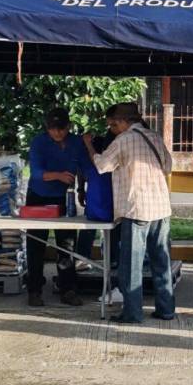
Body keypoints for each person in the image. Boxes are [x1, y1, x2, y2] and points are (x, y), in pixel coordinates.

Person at [83, 102, 175, 323]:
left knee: (131, 265)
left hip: (137, 210)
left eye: (112, 125)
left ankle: (132, 313)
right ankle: (166, 309)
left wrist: (89, 146)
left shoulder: (122, 140)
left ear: (122, 122)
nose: (111, 130)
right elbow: (168, 165)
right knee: (161, 262)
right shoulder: (153, 137)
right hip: (161, 208)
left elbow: (102, 166)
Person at [26, 107, 90, 307]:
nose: (57, 133)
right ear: (47, 128)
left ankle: (68, 289)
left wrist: (81, 189)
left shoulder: (76, 142)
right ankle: (34, 290)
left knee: (67, 244)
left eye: (61, 129)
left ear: (68, 127)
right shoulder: (39, 142)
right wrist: (58, 175)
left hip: (64, 198)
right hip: (38, 197)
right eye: (53, 129)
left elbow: (84, 166)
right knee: (36, 244)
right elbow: (36, 172)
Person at [76, 109, 118, 272]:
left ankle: (82, 258)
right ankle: (113, 259)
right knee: (113, 230)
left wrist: (80, 190)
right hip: (109, 207)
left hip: (95, 207)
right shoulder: (112, 165)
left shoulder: (92, 165)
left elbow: (81, 171)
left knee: (88, 230)